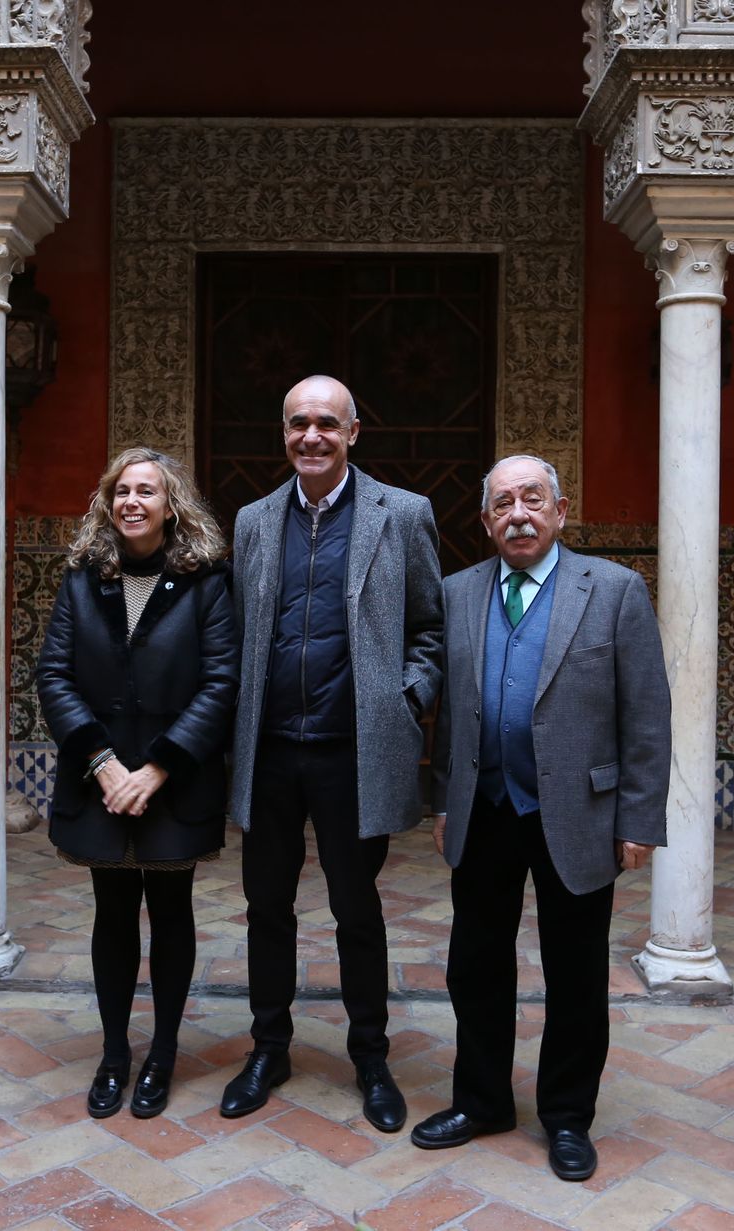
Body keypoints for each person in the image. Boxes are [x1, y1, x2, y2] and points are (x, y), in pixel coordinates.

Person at [411, 454, 671, 1181]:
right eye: (502, 503)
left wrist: (639, 818)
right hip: (486, 807)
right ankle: (483, 1099)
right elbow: (451, 715)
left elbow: (646, 713)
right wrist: (443, 802)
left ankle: (566, 1116)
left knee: (577, 973)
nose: (517, 513)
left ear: (561, 511)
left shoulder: (614, 589)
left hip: (580, 812)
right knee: (476, 965)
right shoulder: (458, 591)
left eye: (532, 499)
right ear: (486, 519)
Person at [220, 375, 444, 1132]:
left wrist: (405, 696)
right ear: (283, 434)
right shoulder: (253, 520)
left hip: (353, 751)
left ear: (354, 431)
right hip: (272, 748)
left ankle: (371, 1057)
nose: (309, 436)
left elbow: (431, 626)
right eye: (296, 424)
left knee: (357, 909)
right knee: (266, 908)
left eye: (325, 423)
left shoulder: (403, 514)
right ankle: (269, 1046)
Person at [35, 446, 238, 1121]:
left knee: (172, 915)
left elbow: (220, 682)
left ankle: (165, 1052)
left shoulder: (207, 580)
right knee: (112, 917)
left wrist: (156, 767)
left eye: (146, 491)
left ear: (171, 503)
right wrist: (102, 763)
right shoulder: (82, 578)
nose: (131, 501)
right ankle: (115, 1053)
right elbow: (55, 675)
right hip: (101, 780)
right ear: (107, 499)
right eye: (122, 489)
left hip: (173, 782)